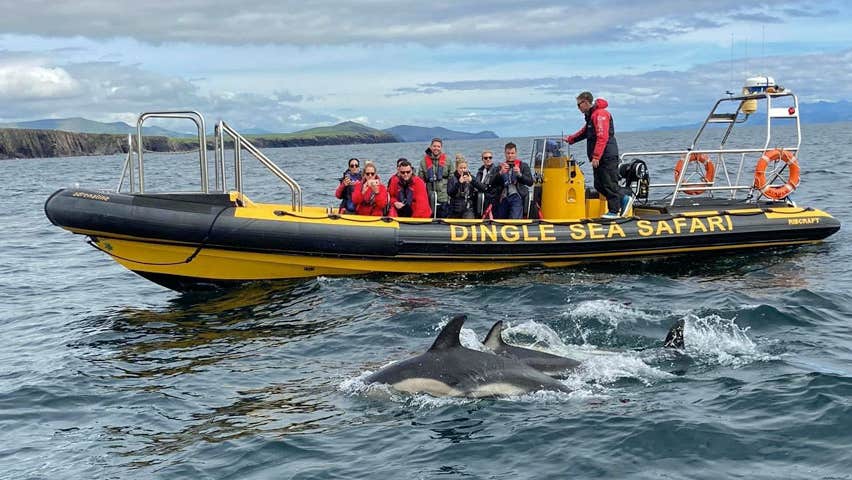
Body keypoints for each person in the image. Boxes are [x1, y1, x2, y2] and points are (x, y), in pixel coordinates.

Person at [564, 91, 632, 218]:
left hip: (606, 155)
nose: (578, 108)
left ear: (585, 102)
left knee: (608, 183)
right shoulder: (592, 116)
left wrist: (596, 156)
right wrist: (570, 139)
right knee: (599, 185)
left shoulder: (600, 114)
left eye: (579, 105)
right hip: (600, 157)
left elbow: (602, 136)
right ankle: (623, 198)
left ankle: (614, 210)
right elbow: (585, 132)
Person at [418, 137, 454, 218]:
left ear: (441, 148)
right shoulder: (423, 161)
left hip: (444, 197)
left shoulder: (448, 161)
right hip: (429, 196)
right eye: (434, 146)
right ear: (431, 147)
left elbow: (452, 178)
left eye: (438, 146)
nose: (436, 148)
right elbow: (420, 180)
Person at [497, 142, 533, 219]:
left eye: (512, 153)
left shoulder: (523, 165)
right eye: (508, 153)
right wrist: (500, 173)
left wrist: (520, 174)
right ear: (505, 154)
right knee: (501, 219)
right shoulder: (500, 166)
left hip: (517, 196)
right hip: (503, 196)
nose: (510, 155)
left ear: (516, 153)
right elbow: (492, 183)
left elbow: (530, 182)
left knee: (515, 219)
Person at [474, 149, 502, 218]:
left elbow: (494, 184)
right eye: (486, 158)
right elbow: (477, 184)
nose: (488, 159)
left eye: (490, 157)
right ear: (482, 159)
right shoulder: (480, 171)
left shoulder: (496, 170)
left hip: (492, 197)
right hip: (482, 195)